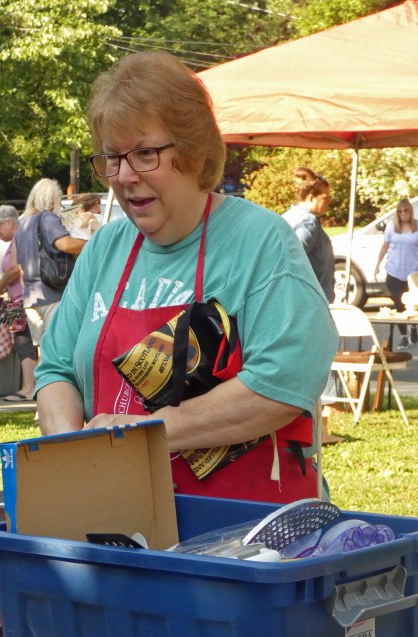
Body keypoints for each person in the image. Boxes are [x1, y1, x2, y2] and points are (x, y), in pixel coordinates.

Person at [34, 51, 338, 503]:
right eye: (112, 157)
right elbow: (56, 369)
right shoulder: (104, 249)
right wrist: (74, 452)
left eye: (145, 154)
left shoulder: (260, 242)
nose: (124, 175)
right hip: (126, 519)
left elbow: (284, 382)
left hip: (253, 528)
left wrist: (147, 433)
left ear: (194, 151)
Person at [14, 178, 87, 349]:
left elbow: (19, 267)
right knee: (59, 348)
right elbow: (65, 244)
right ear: (52, 199)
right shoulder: (48, 218)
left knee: (43, 351)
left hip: (31, 298)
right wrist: (92, 242)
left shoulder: (23, 225)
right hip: (52, 295)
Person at [0, 205, 38, 400]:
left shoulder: (19, 237)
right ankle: (31, 386)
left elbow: (15, 268)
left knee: (23, 341)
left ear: (9, 222)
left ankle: (28, 388)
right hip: (23, 297)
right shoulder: (22, 237)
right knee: (28, 341)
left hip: (23, 299)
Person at [375, 198, 418, 349]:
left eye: (406, 211)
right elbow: (384, 246)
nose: (403, 214)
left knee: (413, 303)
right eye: (400, 211)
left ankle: (413, 326)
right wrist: (377, 264)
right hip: (394, 271)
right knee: (399, 304)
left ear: (410, 211)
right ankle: (403, 336)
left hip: (413, 274)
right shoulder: (391, 227)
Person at [282, 168, 335, 303]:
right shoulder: (308, 222)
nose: (329, 201)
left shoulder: (289, 215)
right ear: (311, 198)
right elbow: (291, 257)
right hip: (309, 301)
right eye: (325, 198)